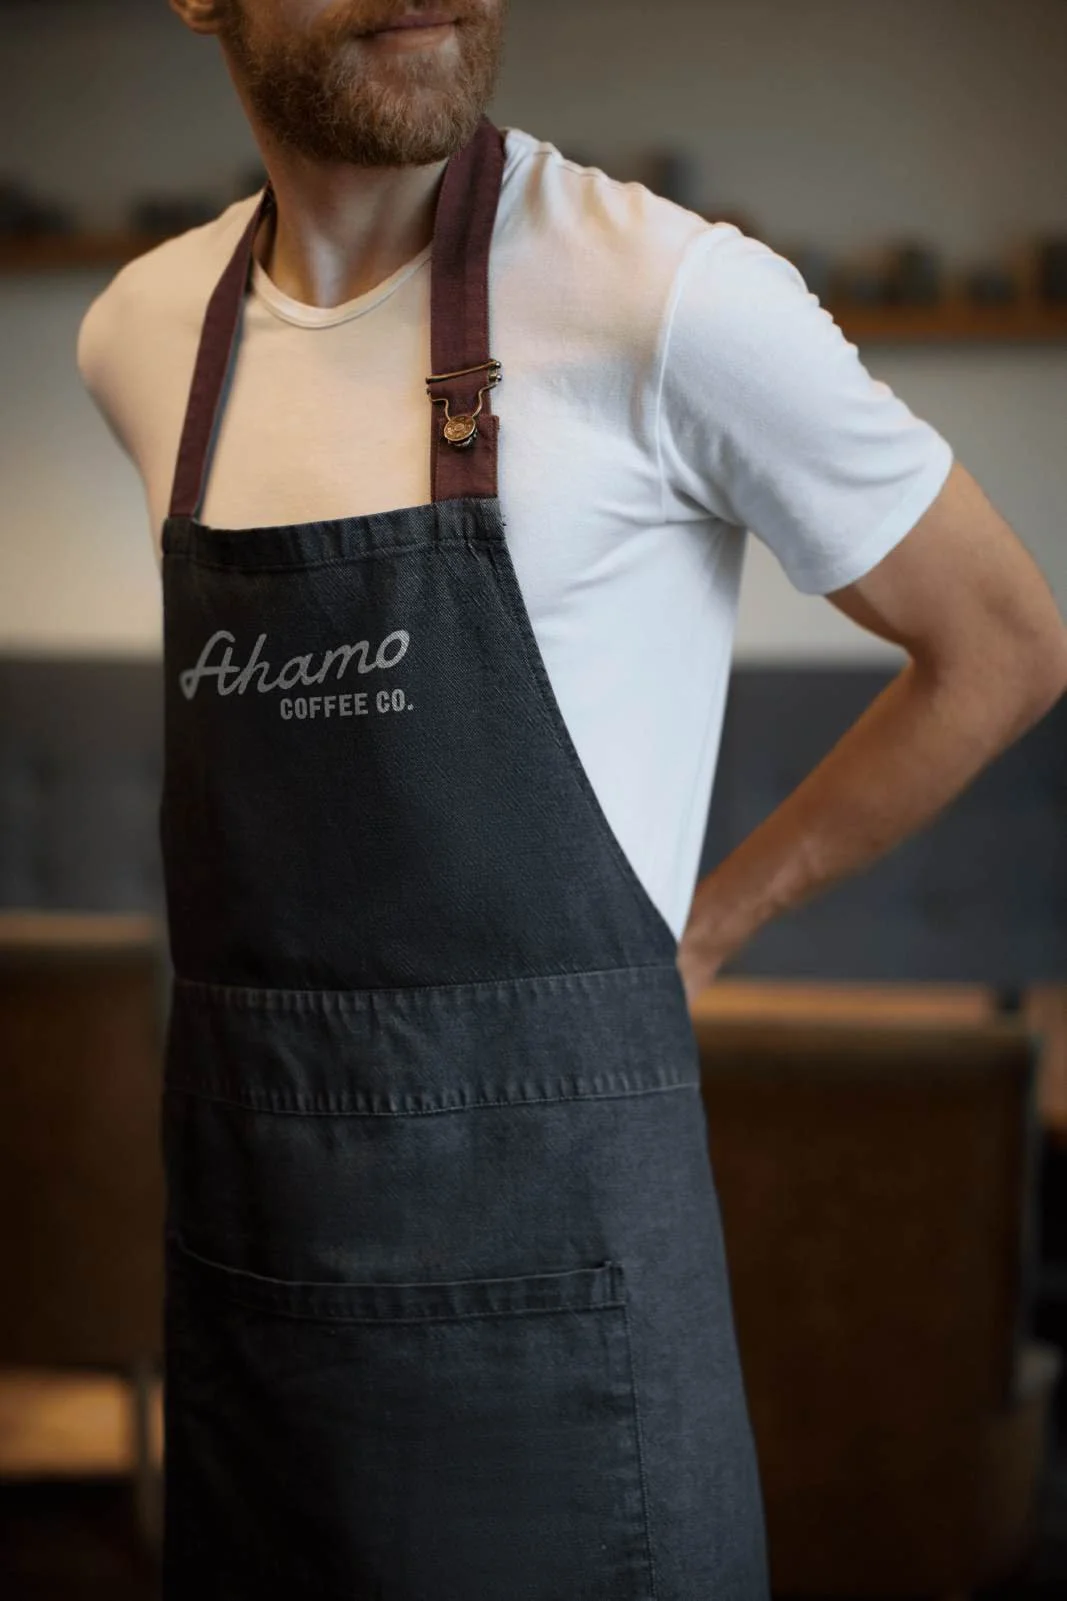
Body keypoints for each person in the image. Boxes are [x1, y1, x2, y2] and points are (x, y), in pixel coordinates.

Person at [77, 3, 1067, 1598]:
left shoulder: (668, 296)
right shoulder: (140, 339)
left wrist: (708, 929)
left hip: (562, 1342)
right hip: (259, 1306)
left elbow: (1003, 646)